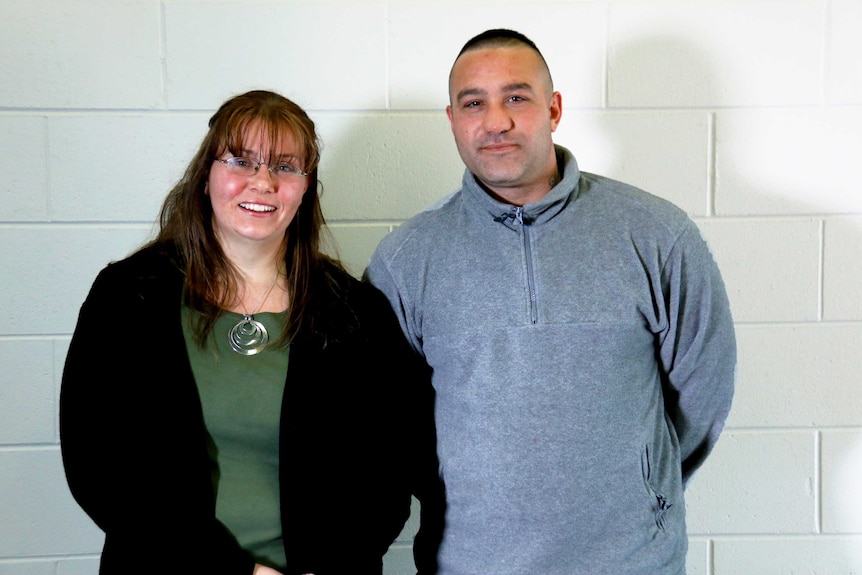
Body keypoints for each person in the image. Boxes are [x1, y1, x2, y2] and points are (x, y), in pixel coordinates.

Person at [364, 29, 736, 574]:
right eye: (474, 103)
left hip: (633, 563)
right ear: (452, 120)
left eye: (516, 97)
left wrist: (644, 485)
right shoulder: (406, 260)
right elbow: (393, 424)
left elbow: (704, 389)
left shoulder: (656, 234)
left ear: (554, 108)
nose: (496, 121)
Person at [60, 90, 439, 575]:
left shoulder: (355, 311)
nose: (262, 182)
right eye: (241, 160)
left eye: (284, 167)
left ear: (306, 188)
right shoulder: (129, 297)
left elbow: (388, 471)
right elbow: (100, 465)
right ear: (207, 176)